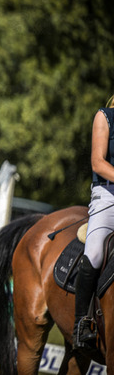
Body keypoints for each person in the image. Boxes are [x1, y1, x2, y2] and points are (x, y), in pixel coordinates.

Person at [73, 95, 114, 349]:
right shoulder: (105, 117)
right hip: (109, 196)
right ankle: (81, 323)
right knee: (96, 251)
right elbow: (98, 162)